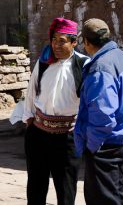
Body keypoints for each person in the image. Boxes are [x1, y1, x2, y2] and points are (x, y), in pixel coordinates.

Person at [74, 18, 123, 205]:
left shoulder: (101, 67)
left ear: (86, 42)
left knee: (103, 198)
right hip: (122, 138)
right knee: (117, 193)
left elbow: (103, 113)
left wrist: (93, 145)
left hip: (105, 142)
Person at [22, 17, 89, 205]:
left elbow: (88, 101)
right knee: (36, 186)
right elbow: (31, 91)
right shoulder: (44, 62)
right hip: (39, 134)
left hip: (67, 138)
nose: (56, 45)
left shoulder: (84, 65)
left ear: (74, 42)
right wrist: (29, 121)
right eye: (53, 40)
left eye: (62, 41)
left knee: (66, 188)